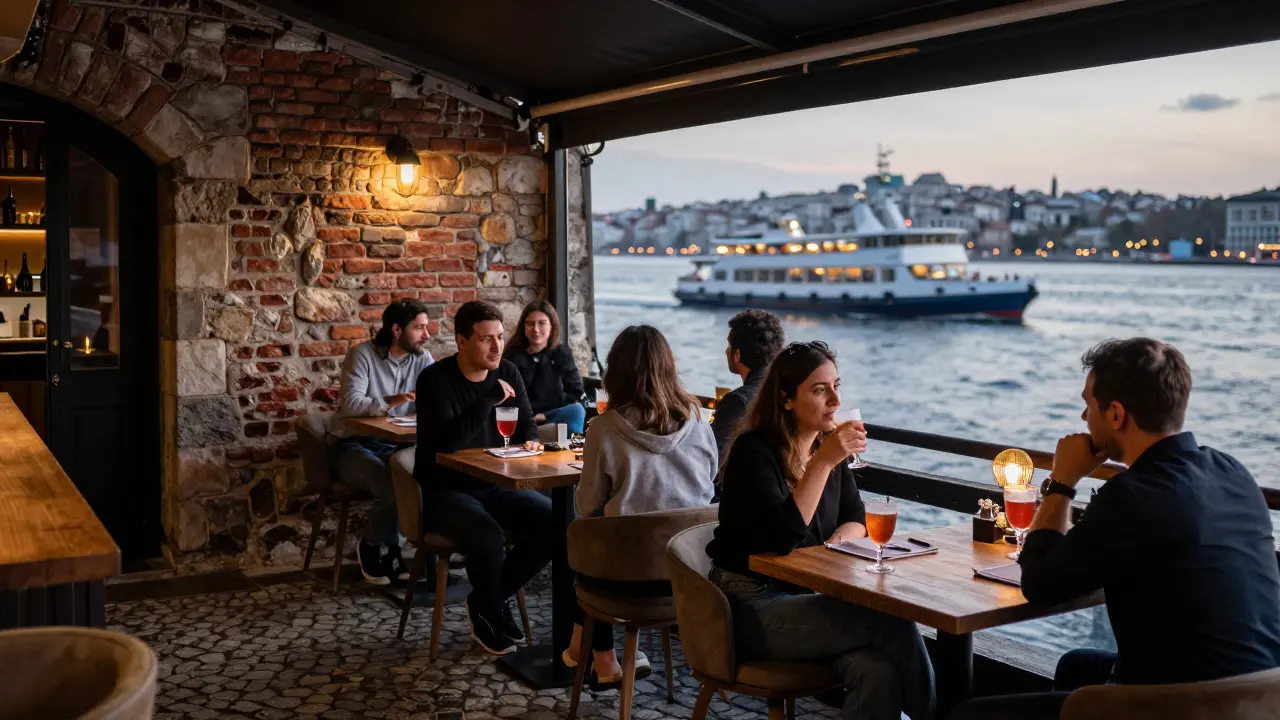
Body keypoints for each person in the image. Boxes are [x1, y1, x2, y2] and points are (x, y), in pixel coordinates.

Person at [948, 338, 1280, 720]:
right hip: (1264, 695)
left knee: (968, 715)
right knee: (1077, 665)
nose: (1083, 418)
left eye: (1088, 404)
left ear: (1116, 414)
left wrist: (1063, 481)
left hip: (1182, 706)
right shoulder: (1233, 471)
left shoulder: (1134, 494)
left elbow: (1040, 586)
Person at [708, 341, 935, 720]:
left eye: (836, 386)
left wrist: (831, 546)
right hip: (748, 606)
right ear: (786, 400)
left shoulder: (823, 452)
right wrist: (825, 463)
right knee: (891, 619)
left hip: (807, 595)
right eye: (819, 389)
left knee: (875, 671)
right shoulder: (755, 451)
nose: (834, 398)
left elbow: (857, 519)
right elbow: (781, 539)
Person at [566, 325, 718, 687]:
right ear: (669, 367)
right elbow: (707, 489)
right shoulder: (700, 423)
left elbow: (587, 506)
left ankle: (596, 656)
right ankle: (584, 650)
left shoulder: (603, 429)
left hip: (626, 585)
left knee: (585, 545)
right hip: (693, 578)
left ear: (615, 372)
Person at [414, 301, 552, 656]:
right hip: (445, 489)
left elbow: (525, 427)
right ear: (461, 341)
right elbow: (447, 444)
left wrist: (532, 441)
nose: (496, 347)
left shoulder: (508, 371)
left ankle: (487, 602)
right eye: (485, 339)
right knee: (488, 537)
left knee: (556, 524)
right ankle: (491, 614)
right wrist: (487, 401)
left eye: (500, 338)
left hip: (496, 484)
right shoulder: (434, 380)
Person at [332, 299, 434, 585]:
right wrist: (394, 400)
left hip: (398, 446)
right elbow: (351, 405)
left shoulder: (423, 359)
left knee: (426, 478)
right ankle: (372, 546)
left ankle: (399, 551)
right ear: (397, 329)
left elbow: (437, 400)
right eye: (419, 328)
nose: (427, 335)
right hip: (354, 445)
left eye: (426, 328)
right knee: (391, 486)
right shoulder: (362, 355)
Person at [711, 309, 785, 463]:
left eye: (729, 345)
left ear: (737, 355)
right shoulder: (785, 390)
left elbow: (712, 459)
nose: (726, 351)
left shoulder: (738, 402)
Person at [504, 300, 586, 435]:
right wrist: (531, 416)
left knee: (576, 411)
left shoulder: (562, 355)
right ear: (523, 327)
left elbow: (576, 393)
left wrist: (545, 415)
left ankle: (569, 450)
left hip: (554, 419)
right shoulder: (512, 356)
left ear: (552, 326)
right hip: (523, 421)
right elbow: (508, 398)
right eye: (530, 323)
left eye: (542, 323)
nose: (535, 329)